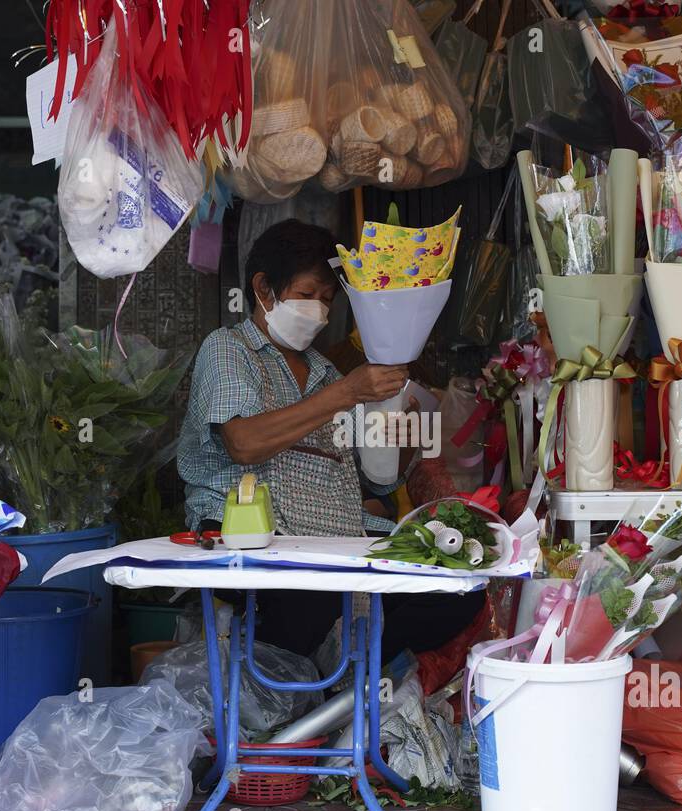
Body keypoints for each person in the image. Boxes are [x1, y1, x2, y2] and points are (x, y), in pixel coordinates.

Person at [177, 219, 484, 662]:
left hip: (337, 536)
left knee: (455, 590)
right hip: (254, 536)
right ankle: (319, 686)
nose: (319, 311)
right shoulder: (230, 349)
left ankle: (350, 672)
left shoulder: (327, 372)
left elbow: (374, 484)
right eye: (306, 295)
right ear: (264, 289)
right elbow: (242, 443)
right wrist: (346, 394)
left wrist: (400, 444)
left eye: (327, 299)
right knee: (314, 599)